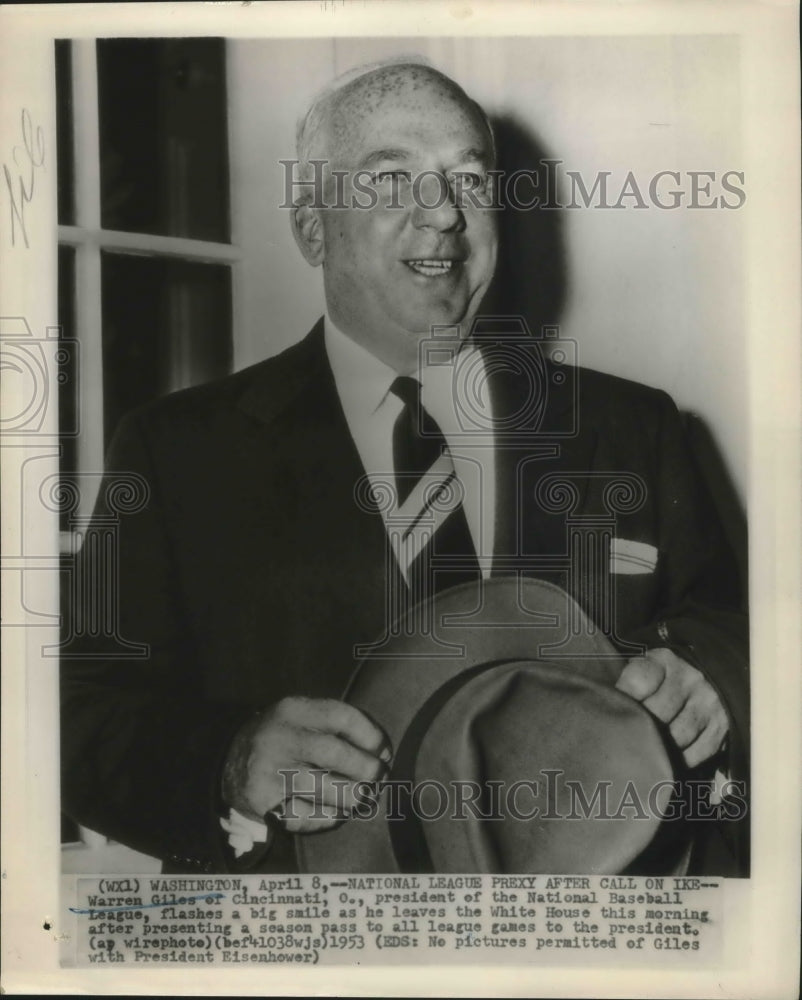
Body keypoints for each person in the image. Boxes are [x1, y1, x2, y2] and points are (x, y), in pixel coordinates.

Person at [60, 60, 748, 875]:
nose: (445, 214)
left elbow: (740, 622)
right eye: (393, 179)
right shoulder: (177, 453)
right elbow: (79, 719)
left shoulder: (636, 427)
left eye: (468, 177)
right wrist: (229, 759)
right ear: (313, 226)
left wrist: (715, 675)